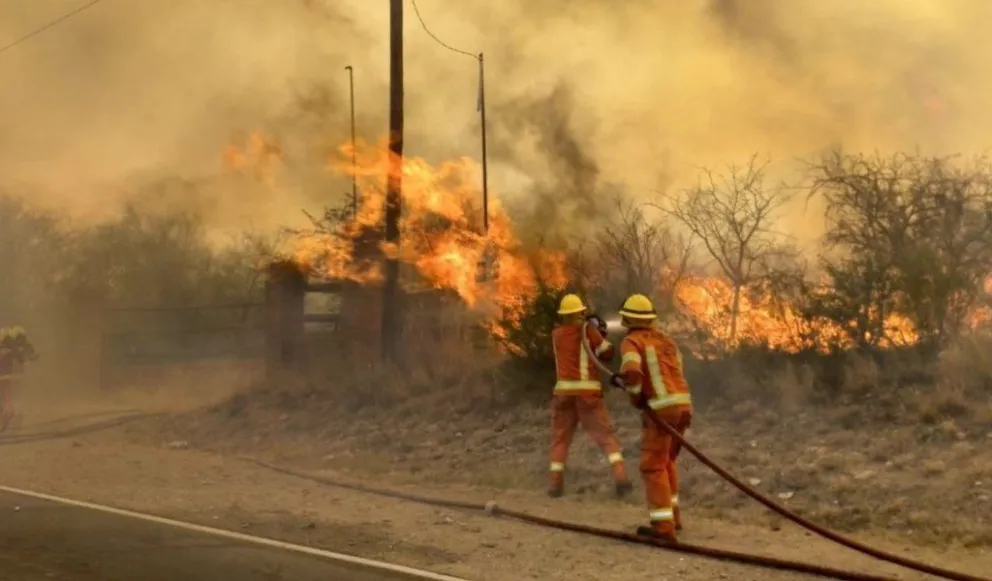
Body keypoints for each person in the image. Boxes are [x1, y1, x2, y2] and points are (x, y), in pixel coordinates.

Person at [610, 294, 693, 542]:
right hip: (684, 406)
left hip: (661, 410)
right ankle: (673, 518)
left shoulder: (631, 342)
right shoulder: (667, 340)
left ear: (626, 318)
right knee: (667, 461)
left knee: (652, 465)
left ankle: (662, 528)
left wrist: (636, 398)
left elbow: (634, 374)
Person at [548, 293, 632, 498]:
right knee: (605, 437)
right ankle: (621, 479)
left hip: (564, 395)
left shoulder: (556, 334)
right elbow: (607, 353)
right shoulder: (588, 331)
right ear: (580, 312)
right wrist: (600, 333)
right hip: (588, 395)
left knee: (561, 439)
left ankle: (555, 486)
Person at [0, 326, 37, 433]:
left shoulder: (12, 350)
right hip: (7, 376)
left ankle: (8, 414)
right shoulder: (12, 350)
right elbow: (23, 358)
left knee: (5, 395)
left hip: (6, 376)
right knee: (5, 395)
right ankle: (8, 413)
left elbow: (23, 358)